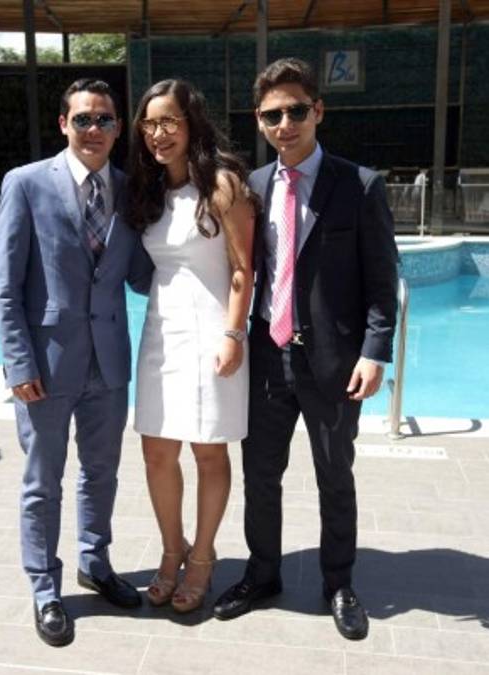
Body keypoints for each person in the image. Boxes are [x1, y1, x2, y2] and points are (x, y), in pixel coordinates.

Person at [213, 58, 398, 640]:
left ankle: (338, 582)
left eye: (296, 111)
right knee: (260, 474)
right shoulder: (253, 188)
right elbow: (243, 270)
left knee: (334, 475)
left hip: (335, 363)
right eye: (273, 115)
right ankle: (262, 574)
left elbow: (382, 279)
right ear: (259, 120)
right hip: (269, 357)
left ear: (318, 110)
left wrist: (375, 351)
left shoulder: (359, 185)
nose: (285, 124)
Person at [0, 78, 152, 647]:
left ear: (118, 128)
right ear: (63, 124)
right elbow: (6, 289)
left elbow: (141, 275)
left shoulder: (131, 191)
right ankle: (44, 588)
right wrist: (19, 365)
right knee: (43, 482)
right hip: (46, 367)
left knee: (102, 473)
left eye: (104, 119)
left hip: (109, 363)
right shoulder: (25, 184)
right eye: (83, 118)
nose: (94, 129)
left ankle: (95, 562)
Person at [127, 79, 255, 613]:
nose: (158, 134)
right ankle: (171, 549)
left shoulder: (222, 184)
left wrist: (233, 334)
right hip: (160, 333)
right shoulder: (149, 189)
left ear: (192, 123)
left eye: (169, 121)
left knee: (208, 450)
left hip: (211, 336)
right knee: (156, 450)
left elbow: (244, 269)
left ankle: (202, 557)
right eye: (149, 123)